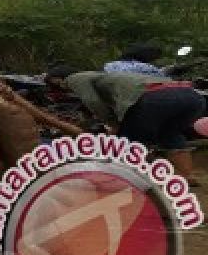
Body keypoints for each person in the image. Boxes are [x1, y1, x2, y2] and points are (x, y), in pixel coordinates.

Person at [45, 64, 205, 181]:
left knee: (128, 144)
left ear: (59, 78)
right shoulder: (110, 76)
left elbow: (92, 101)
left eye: (55, 82)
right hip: (191, 97)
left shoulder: (75, 78)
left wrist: (112, 122)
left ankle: (129, 182)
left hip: (154, 99)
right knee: (170, 135)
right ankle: (185, 177)